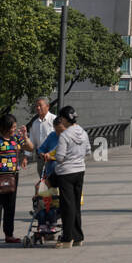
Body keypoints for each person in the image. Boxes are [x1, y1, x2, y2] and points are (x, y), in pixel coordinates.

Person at [0, 113, 31, 245]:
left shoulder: (16, 138)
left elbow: (30, 148)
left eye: (15, 127)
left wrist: (25, 137)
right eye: (12, 127)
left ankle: (9, 234)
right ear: (5, 126)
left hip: (13, 176)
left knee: (10, 206)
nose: (14, 129)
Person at [50, 106, 88, 248]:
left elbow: (59, 157)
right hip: (80, 171)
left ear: (65, 119)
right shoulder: (83, 133)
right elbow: (88, 150)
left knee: (67, 206)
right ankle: (78, 236)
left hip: (66, 173)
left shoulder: (65, 135)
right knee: (76, 204)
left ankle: (67, 238)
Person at [29, 98, 56, 170]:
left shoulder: (54, 120)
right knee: (43, 179)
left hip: (53, 158)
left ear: (47, 106)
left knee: (53, 179)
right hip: (40, 158)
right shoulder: (35, 123)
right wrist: (26, 156)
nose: (38, 108)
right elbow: (32, 141)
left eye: (40, 105)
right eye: (37, 106)